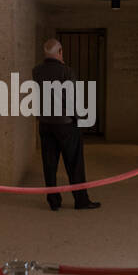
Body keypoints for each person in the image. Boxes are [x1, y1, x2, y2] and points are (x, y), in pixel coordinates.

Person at [33, 39, 101, 211]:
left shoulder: (37, 71)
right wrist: (80, 119)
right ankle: (81, 200)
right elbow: (72, 100)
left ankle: (53, 201)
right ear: (60, 51)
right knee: (74, 164)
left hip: (45, 123)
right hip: (65, 124)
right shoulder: (67, 71)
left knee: (49, 164)